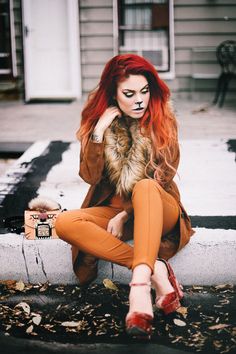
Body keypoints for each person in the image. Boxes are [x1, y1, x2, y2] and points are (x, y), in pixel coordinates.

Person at [55, 54, 195, 339]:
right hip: (115, 212)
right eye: (129, 94)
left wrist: (125, 214)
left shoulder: (162, 120)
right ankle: (155, 269)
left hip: (159, 208)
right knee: (65, 223)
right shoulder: (100, 125)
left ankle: (139, 289)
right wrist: (98, 132)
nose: (139, 100)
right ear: (113, 95)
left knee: (144, 187)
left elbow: (163, 179)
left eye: (144, 91)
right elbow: (90, 177)